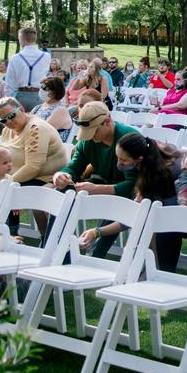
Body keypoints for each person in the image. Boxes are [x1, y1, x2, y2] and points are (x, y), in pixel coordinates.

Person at [79, 132, 183, 270]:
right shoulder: (149, 156)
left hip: (181, 213)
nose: (119, 163)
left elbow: (133, 217)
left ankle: (158, 271)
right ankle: (149, 270)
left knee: (151, 223)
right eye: (118, 158)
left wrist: (97, 232)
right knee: (145, 216)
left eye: (123, 160)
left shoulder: (158, 174)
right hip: (166, 203)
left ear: (139, 159)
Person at [52, 101, 141, 257]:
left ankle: (94, 257)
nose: (90, 137)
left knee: (119, 204)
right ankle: (55, 248)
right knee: (61, 192)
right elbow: (74, 167)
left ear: (107, 121)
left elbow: (133, 184)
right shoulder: (87, 141)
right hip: (103, 183)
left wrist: (98, 189)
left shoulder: (127, 138)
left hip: (132, 193)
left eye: (93, 132)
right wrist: (61, 175)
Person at [0, 97, 68, 235]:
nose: (8, 122)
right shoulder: (7, 130)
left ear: (21, 109)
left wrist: (8, 183)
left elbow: (33, 168)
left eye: (11, 116)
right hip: (21, 178)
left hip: (46, 178)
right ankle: (3, 234)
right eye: (3, 120)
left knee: (7, 191)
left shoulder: (36, 128)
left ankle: (12, 234)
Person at [4, 27, 51, 111]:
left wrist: (9, 99)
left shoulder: (15, 58)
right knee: (37, 123)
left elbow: (9, 81)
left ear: (22, 39)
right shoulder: (46, 56)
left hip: (21, 96)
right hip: (40, 95)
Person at [32, 76, 73, 142]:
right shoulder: (38, 107)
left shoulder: (60, 110)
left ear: (54, 91)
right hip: (35, 143)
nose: (41, 89)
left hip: (51, 148)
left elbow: (42, 130)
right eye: (41, 86)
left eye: (44, 88)